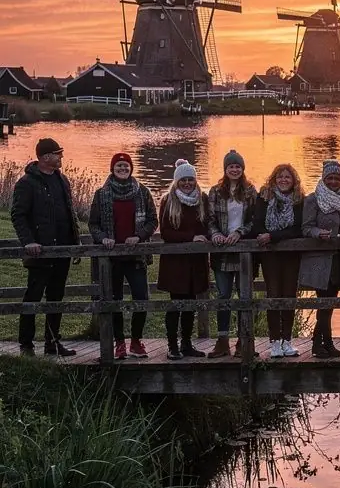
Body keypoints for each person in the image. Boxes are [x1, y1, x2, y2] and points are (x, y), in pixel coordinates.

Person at [11, 137, 80, 356]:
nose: (61, 157)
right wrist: (29, 241)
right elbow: (18, 215)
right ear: (45, 157)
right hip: (40, 251)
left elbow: (70, 213)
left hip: (63, 249)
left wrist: (75, 241)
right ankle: (26, 344)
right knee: (33, 296)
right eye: (58, 153)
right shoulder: (26, 183)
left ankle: (52, 342)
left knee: (56, 297)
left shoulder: (62, 180)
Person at [88, 151, 158, 359]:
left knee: (141, 299)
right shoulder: (102, 194)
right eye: (119, 166)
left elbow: (153, 221)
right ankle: (119, 343)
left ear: (131, 169)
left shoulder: (142, 192)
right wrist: (103, 239)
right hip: (112, 258)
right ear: (112, 169)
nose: (123, 169)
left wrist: (139, 236)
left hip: (136, 257)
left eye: (126, 166)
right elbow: (93, 224)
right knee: (113, 300)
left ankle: (136, 341)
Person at [157, 160, 211, 359]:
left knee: (190, 305)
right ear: (176, 181)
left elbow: (206, 227)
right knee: (175, 305)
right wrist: (190, 237)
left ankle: (187, 343)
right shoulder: (168, 200)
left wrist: (203, 236)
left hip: (196, 261)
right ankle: (172, 345)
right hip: (176, 263)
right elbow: (166, 232)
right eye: (183, 180)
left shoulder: (202, 199)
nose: (187, 183)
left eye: (190, 179)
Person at [207, 150, 257, 358]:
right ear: (225, 170)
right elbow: (208, 219)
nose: (234, 170)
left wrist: (240, 232)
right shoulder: (215, 191)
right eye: (231, 167)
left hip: (244, 253)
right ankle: (222, 341)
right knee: (223, 296)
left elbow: (255, 220)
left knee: (245, 297)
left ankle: (244, 342)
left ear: (242, 169)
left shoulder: (251, 191)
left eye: (237, 166)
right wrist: (216, 234)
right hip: (222, 253)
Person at [252, 162, 304, 358]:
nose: (283, 180)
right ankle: (274, 342)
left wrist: (273, 236)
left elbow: (298, 228)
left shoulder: (299, 200)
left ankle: (287, 341)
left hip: (291, 255)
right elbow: (257, 225)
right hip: (270, 255)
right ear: (274, 179)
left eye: (287, 177)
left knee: (290, 296)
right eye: (280, 177)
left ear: (293, 181)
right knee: (273, 295)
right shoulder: (264, 197)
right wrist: (268, 237)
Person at [300, 160, 340, 358]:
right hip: (319, 258)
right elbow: (305, 227)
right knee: (323, 302)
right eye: (330, 178)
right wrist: (318, 232)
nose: (333, 181)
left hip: (337, 257)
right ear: (323, 178)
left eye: (337, 178)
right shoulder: (313, 199)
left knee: (330, 303)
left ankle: (326, 343)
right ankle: (317, 344)